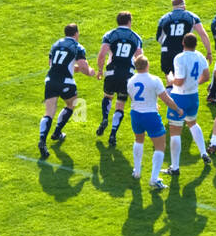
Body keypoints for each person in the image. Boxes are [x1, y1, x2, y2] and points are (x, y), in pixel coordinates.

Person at [39, 23, 97, 160]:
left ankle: (42, 140)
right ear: (76, 34)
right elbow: (83, 66)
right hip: (66, 82)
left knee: (49, 113)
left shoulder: (56, 44)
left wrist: (73, 68)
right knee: (71, 105)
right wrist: (90, 72)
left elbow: (51, 63)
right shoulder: (78, 47)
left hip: (50, 80)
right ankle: (57, 132)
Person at [125, 55, 183, 188]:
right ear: (147, 65)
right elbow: (166, 99)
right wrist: (177, 109)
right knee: (160, 146)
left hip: (135, 114)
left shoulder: (130, 80)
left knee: (138, 140)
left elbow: (134, 98)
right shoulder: (154, 80)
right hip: (150, 115)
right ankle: (154, 179)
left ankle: (137, 171)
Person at [95, 11, 143, 147]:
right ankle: (113, 133)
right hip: (127, 74)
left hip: (111, 72)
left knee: (108, 96)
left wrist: (100, 70)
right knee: (120, 103)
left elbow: (102, 54)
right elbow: (140, 58)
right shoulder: (136, 38)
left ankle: (105, 118)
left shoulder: (110, 35)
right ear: (129, 21)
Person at [166, 33, 212, 170]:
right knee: (192, 123)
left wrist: (170, 80)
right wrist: (195, 83)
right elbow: (207, 76)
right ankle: (203, 152)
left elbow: (179, 82)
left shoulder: (179, 58)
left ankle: (174, 167)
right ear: (196, 44)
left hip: (180, 97)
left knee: (175, 131)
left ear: (183, 43)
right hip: (193, 96)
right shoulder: (200, 56)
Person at [156, 0, 212, 77]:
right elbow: (203, 34)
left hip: (167, 51)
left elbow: (159, 38)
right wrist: (209, 52)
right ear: (184, 6)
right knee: (184, 80)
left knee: (170, 80)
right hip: (183, 50)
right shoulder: (191, 17)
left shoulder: (164, 18)